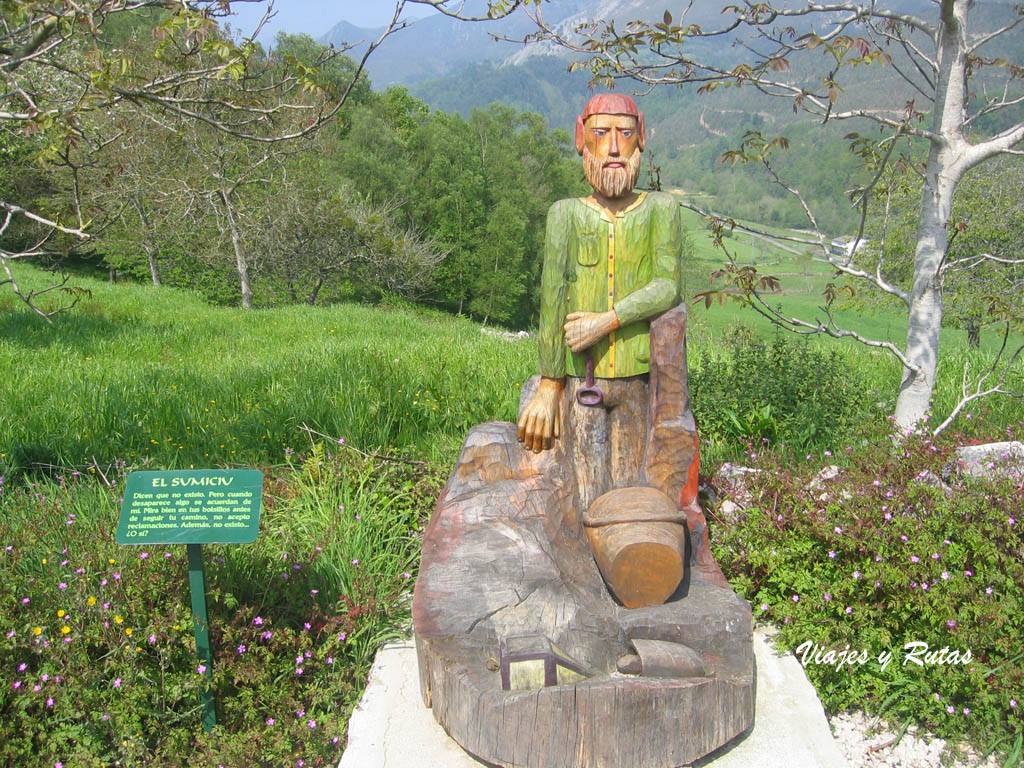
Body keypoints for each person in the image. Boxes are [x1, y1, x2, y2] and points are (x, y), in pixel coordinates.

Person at [517, 94, 686, 464]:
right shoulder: (564, 215)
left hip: (640, 382)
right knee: (583, 485)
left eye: (624, 133)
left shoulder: (661, 209)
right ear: (582, 138)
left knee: (631, 491)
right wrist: (549, 384)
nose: (612, 147)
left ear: (640, 135)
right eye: (600, 132)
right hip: (581, 381)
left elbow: (667, 286)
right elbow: (552, 302)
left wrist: (605, 322)